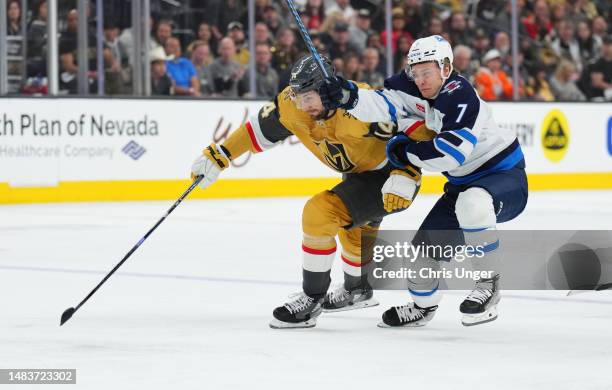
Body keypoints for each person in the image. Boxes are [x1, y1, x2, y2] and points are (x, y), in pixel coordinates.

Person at [190, 55, 436, 329]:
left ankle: (311, 299)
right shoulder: (291, 105)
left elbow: (420, 130)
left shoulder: (361, 104)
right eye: (299, 96)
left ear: (329, 90)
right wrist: (221, 154)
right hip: (356, 173)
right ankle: (358, 289)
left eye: (310, 96)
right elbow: (257, 131)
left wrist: (407, 171)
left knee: (319, 213)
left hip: (390, 177)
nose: (304, 105)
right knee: (354, 228)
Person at [320, 35, 528, 327]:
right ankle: (422, 307)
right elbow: (381, 104)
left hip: (504, 176)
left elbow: (450, 154)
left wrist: (405, 152)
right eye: (415, 73)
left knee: (474, 202)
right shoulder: (410, 85)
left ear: (446, 67)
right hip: (460, 186)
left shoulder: (460, 93)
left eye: (426, 72)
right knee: (420, 257)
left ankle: (488, 283)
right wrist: (348, 96)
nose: (420, 80)